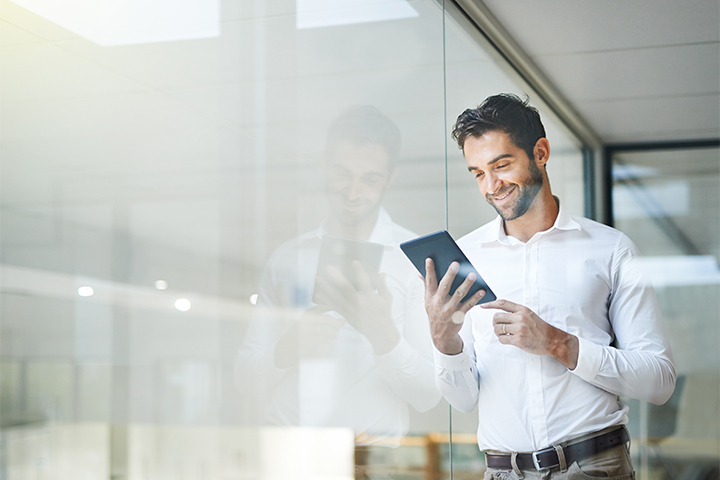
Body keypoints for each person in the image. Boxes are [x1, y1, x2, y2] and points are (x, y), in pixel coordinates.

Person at [424, 94, 676, 478]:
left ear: (540, 152)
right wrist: (445, 342)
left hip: (594, 467)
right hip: (502, 471)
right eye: (478, 173)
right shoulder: (467, 258)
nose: (491, 186)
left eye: (501, 164)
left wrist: (558, 343)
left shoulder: (610, 250)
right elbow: (463, 400)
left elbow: (658, 380)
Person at [236, 105, 441, 450]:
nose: (352, 191)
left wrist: (384, 337)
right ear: (324, 165)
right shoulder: (288, 259)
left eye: (370, 179)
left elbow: (429, 396)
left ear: (390, 179)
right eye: (342, 174)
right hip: (287, 455)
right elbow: (245, 379)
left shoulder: (414, 264)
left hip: (371, 464)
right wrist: (290, 345)